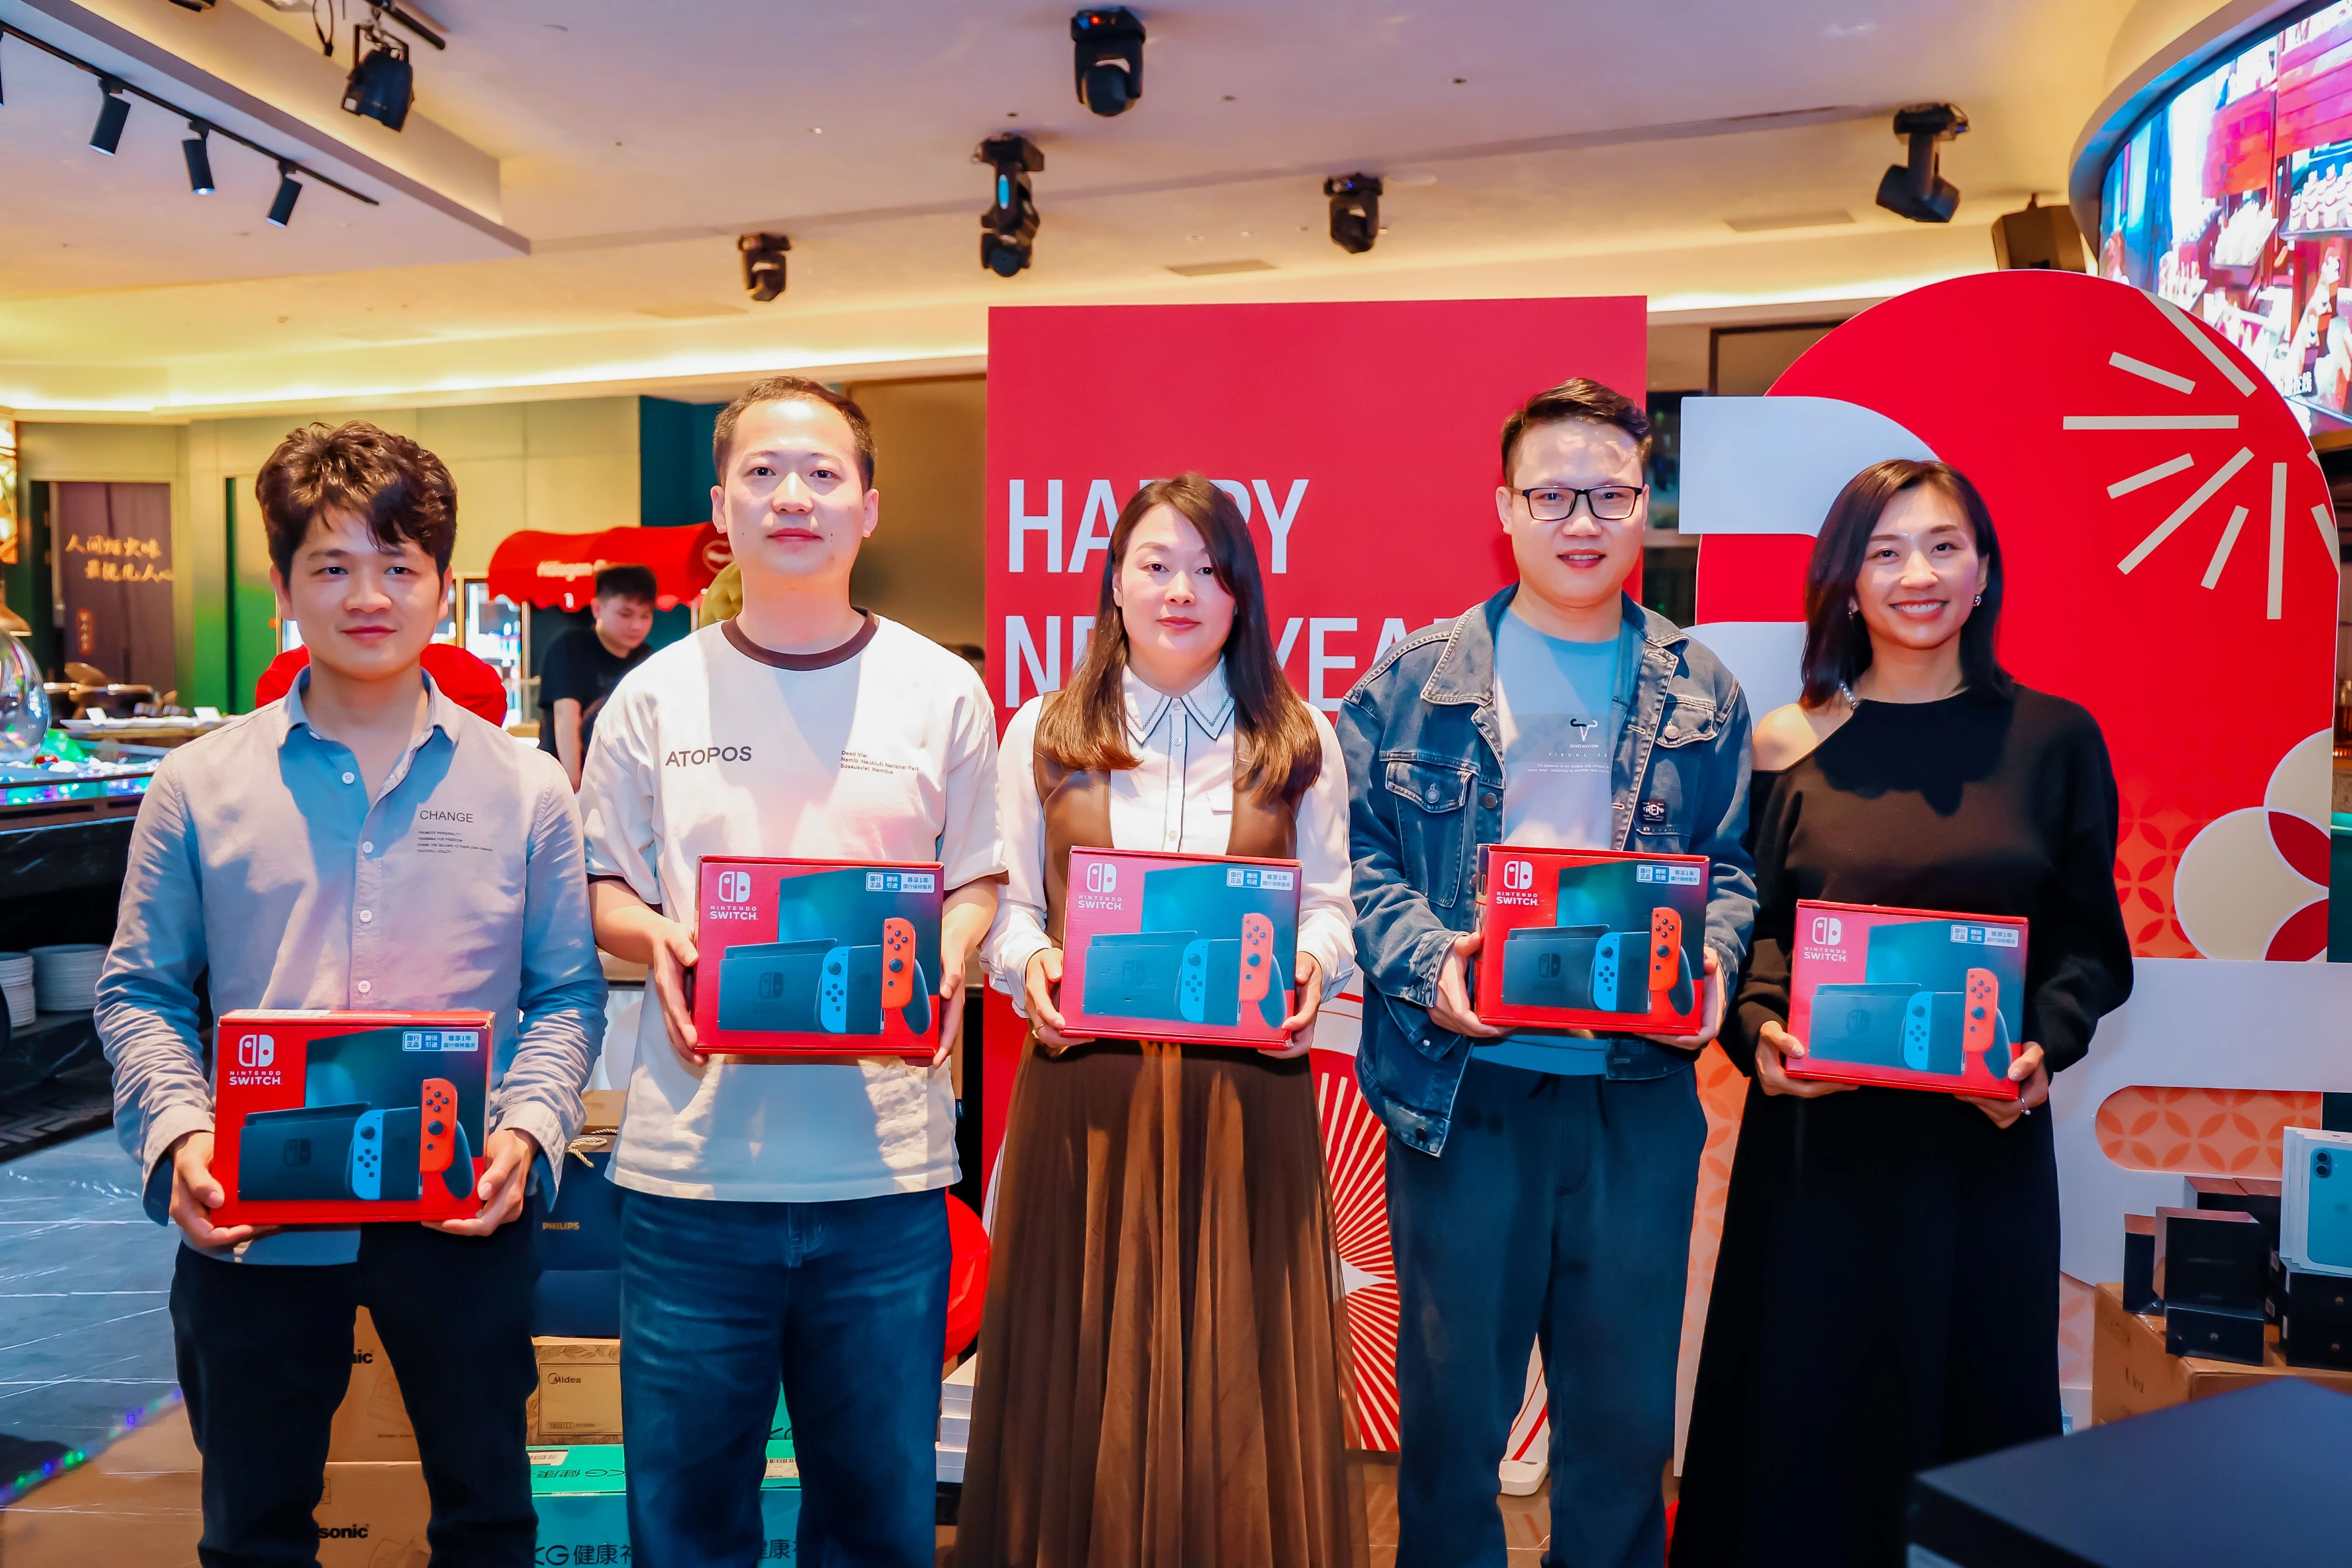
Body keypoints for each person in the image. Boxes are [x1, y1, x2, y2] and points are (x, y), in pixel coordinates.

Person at [95, 420, 607, 1568]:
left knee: (488, 1523)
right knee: (253, 1533)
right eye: (331, 565)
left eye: (398, 566)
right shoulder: (198, 785)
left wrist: (528, 1130)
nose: (368, 596)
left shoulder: (525, 787)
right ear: (283, 587)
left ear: (441, 587)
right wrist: (180, 1135)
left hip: (462, 1208)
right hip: (256, 1217)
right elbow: (140, 992)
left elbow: (568, 995)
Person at [1670, 460, 2133, 1568]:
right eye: (1883, 552)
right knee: (1802, 1424)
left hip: (1981, 1150)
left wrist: (2044, 1047)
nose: (1916, 575)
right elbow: (1749, 927)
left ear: (1984, 572)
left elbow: (2087, 944)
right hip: (1816, 1153)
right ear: (1843, 580)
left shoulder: (2055, 741)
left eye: (1942, 547)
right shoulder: (1786, 742)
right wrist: (1759, 1031)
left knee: (1977, 1419)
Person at [577, 375, 1002, 1568]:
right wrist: (655, 937)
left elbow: (978, 876)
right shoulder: (653, 697)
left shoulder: (941, 690)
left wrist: (955, 945)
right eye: (761, 473)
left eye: (823, 473)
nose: (793, 496)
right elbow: (600, 886)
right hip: (690, 1182)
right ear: (722, 509)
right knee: (685, 1525)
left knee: (875, 1524)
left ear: (869, 506)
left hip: (886, 1182)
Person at [1336, 378, 1757, 1568]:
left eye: (1609, 495)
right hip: (1465, 1094)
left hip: (1635, 1097)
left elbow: (1731, 867)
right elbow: (1356, 861)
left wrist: (1713, 962)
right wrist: (1432, 964)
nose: (1581, 520)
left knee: (1620, 1432)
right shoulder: (1413, 684)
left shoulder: (1702, 688)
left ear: (1643, 507)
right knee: (1450, 1427)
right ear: (1504, 508)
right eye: (1552, 495)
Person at [958, 474, 1363, 1568]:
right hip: (1089, 1092)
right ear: (1115, 583)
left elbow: (1331, 906)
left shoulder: (1300, 737)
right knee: (1085, 1358)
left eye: (1209, 569)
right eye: (1156, 565)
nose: (1181, 590)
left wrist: (1312, 968)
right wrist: (1034, 965)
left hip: (1247, 1099)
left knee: (1241, 1364)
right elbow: (1010, 913)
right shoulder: (1044, 731)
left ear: (1242, 593)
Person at [539, 562, 658, 788]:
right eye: (626, 614)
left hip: (621, 785)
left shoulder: (646, 657)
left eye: (646, 616)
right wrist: (574, 784)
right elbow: (566, 716)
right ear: (597, 609)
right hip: (564, 781)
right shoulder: (570, 646)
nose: (637, 625)